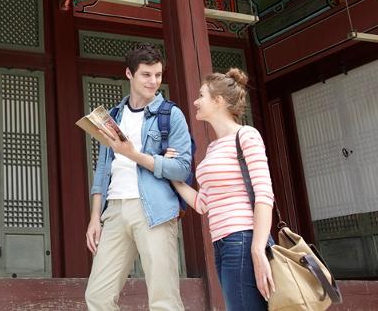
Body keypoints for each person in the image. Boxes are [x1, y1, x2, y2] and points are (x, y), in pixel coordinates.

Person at [85, 43, 193, 311]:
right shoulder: (113, 116)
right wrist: (94, 217)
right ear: (129, 74)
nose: (153, 81)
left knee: (163, 300)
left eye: (157, 75)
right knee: (97, 296)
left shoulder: (171, 115)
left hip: (154, 209)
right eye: (146, 74)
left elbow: (182, 169)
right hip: (115, 211)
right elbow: (102, 169)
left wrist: (134, 155)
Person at [169, 68, 275, 311]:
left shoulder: (247, 135)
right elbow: (203, 203)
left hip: (244, 238)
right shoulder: (214, 148)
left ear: (217, 102)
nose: (195, 101)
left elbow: (264, 195)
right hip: (222, 243)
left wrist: (257, 249)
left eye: (201, 96)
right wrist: (173, 177)